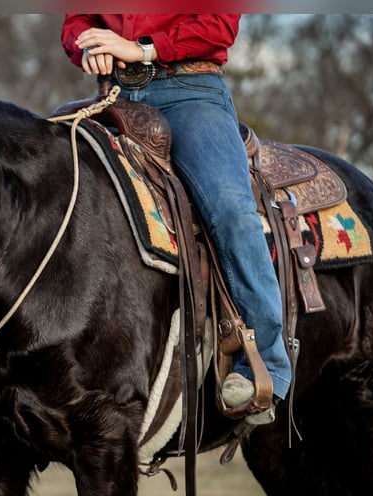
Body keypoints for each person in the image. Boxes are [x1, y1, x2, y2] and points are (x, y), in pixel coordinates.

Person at [61, 14, 290, 425]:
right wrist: (86, 45)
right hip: (113, 95)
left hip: (189, 91)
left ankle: (267, 364)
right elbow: (78, 20)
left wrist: (144, 49)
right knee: (51, 190)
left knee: (231, 209)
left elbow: (219, 23)